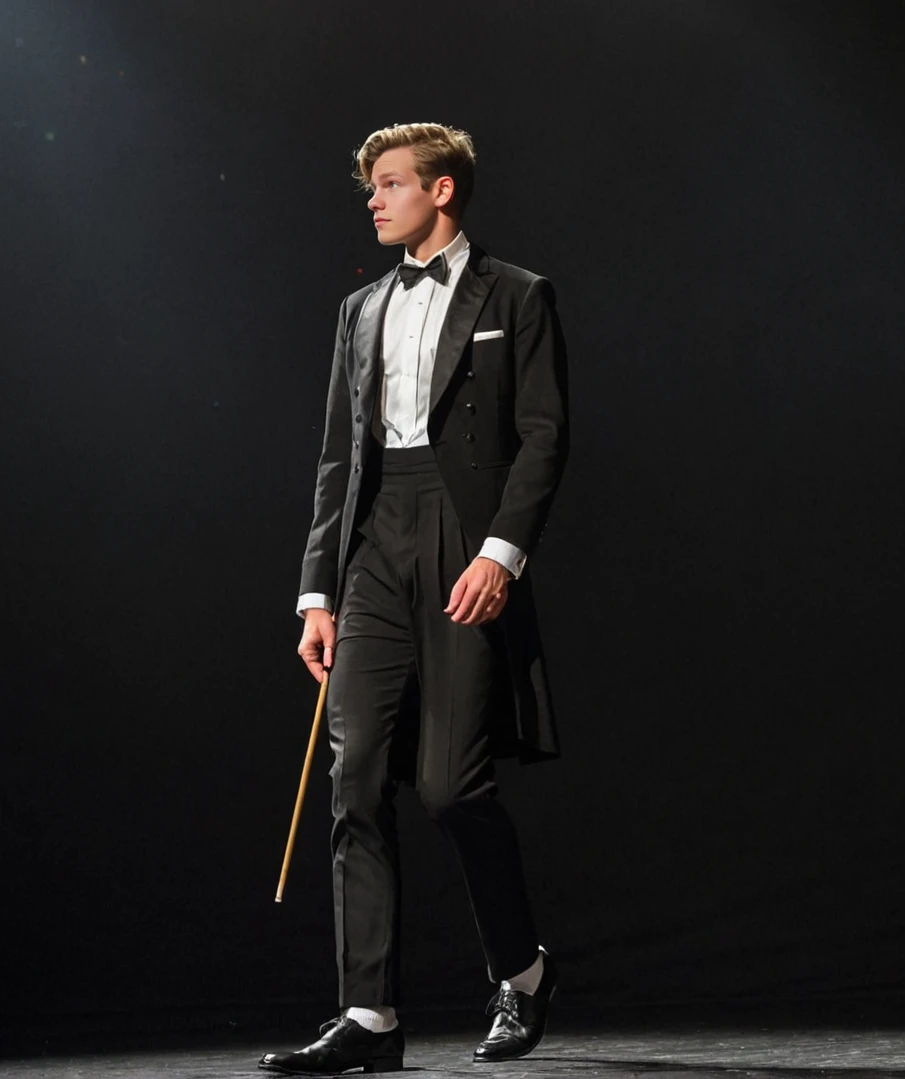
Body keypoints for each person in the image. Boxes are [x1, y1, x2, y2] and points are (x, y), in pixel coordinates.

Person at [259, 122, 569, 1076]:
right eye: (370, 187)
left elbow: (544, 433)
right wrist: (317, 589)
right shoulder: (359, 308)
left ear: (441, 190)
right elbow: (337, 457)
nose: (373, 200)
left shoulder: (515, 294)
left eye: (389, 183)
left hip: (462, 532)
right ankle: (369, 1015)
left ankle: (519, 972)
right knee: (350, 782)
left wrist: (501, 553)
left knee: (447, 787)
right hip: (373, 543)